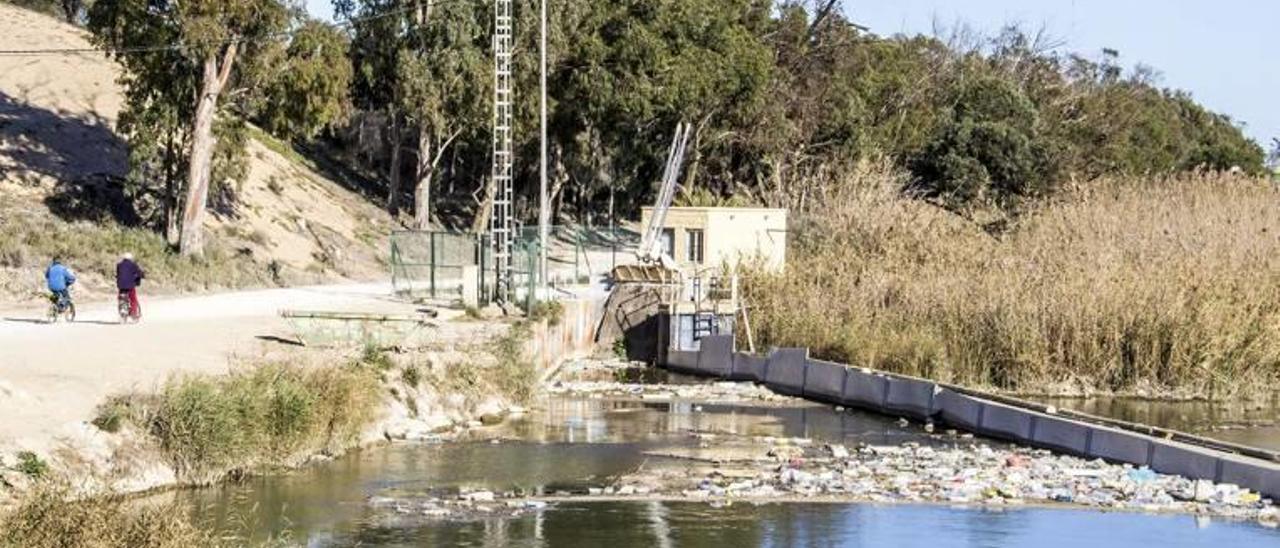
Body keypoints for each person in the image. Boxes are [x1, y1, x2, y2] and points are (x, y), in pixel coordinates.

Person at [116, 252, 145, 321]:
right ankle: (133, 313)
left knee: (121, 297)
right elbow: (139, 273)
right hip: (130, 285)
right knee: (133, 298)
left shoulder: (119, 265)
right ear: (130, 258)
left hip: (121, 285)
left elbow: (118, 274)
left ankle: (122, 312)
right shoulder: (133, 265)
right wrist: (142, 275)